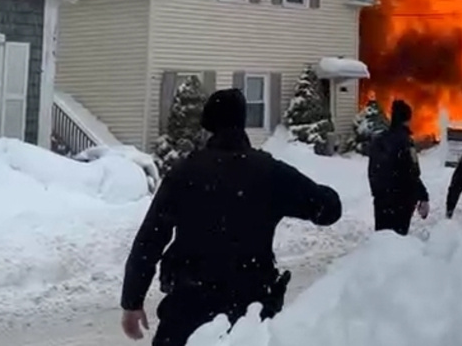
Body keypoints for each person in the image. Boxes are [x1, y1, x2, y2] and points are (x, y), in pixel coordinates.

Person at [120, 88, 343, 346]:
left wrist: (132, 302)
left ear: (207, 128)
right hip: (250, 315)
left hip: (188, 310)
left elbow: (149, 241)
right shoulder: (270, 173)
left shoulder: (185, 173)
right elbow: (329, 210)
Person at [367, 99, 430, 235]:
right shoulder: (405, 142)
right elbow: (412, 172)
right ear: (407, 119)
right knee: (398, 241)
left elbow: (372, 170)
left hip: (381, 201)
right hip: (401, 202)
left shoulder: (379, 140)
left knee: (382, 238)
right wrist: (423, 196)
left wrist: (379, 192)